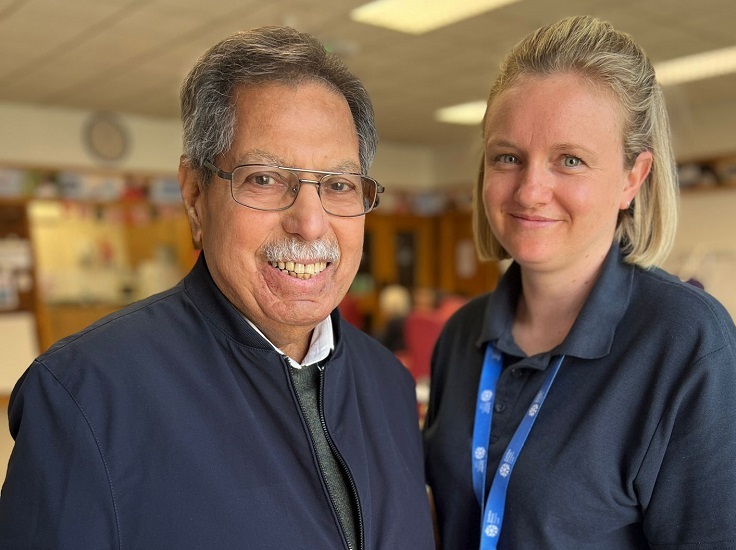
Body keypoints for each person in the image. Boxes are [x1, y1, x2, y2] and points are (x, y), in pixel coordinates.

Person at [0, 26, 435, 549]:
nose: (312, 223)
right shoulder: (86, 394)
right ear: (194, 196)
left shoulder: (387, 383)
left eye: (338, 185)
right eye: (265, 179)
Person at [423, 15, 736, 549]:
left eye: (570, 160)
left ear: (633, 178)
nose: (531, 190)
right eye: (508, 157)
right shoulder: (463, 336)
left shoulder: (689, 346)